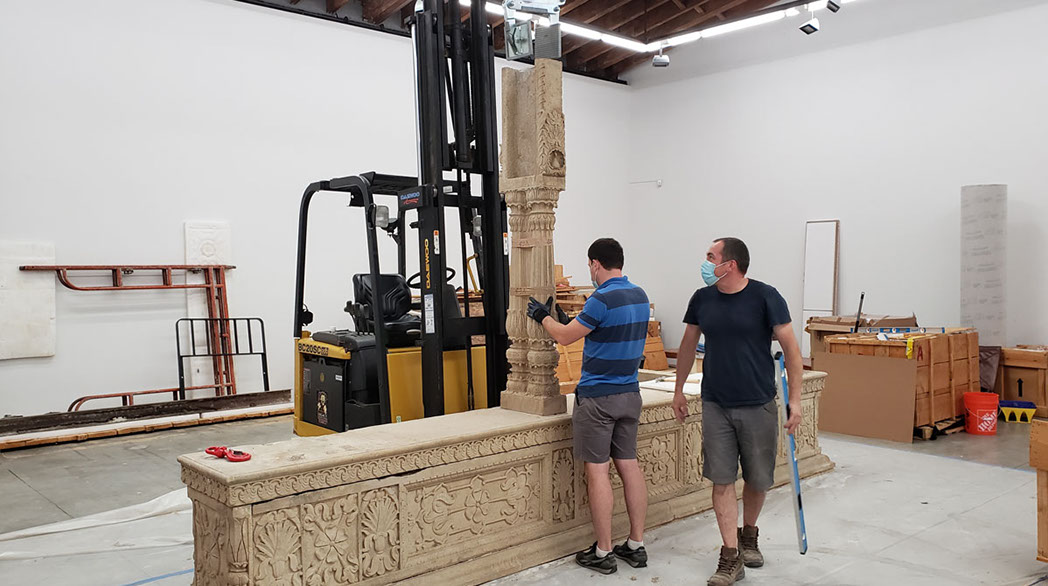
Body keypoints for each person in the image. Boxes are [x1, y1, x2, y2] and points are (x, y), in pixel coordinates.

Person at [671, 237, 803, 586]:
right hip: (716, 403)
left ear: (729, 264)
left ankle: (749, 535)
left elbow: (791, 350)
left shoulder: (766, 297)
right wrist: (679, 390)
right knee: (722, 479)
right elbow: (687, 345)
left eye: (711, 256)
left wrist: (796, 400)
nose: (705, 262)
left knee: (758, 479)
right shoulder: (702, 299)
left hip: (758, 402)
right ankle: (730, 557)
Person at [526, 237, 650, 575]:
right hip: (629, 394)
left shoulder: (600, 298)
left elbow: (564, 337)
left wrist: (544, 318)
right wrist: (568, 319)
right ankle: (636, 545)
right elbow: (603, 331)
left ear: (595, 263)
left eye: (589, 265)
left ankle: (603, 551)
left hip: (598, 399)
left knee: (597, 471)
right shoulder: (639, 295)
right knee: (629, 467)